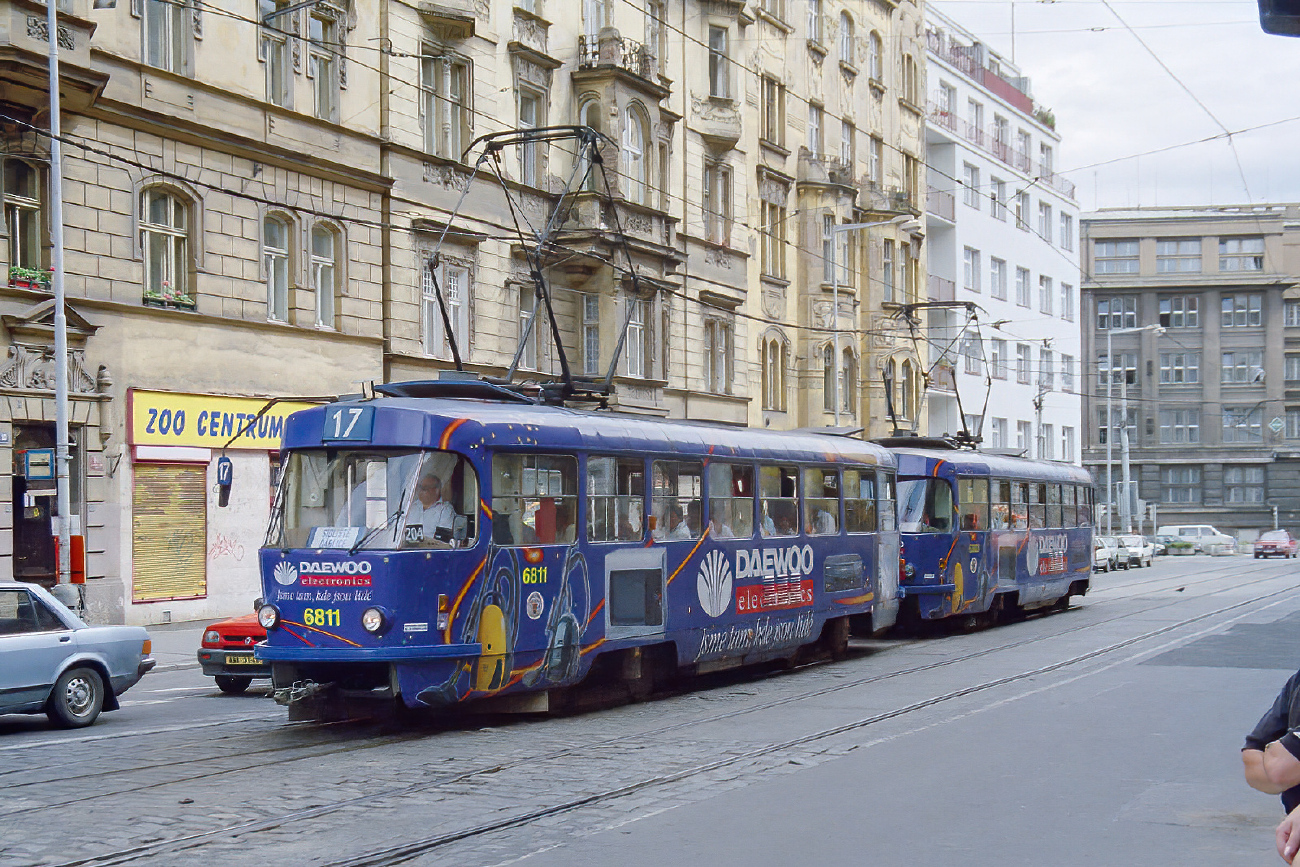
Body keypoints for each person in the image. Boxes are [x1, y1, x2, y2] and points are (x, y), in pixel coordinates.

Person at [408, 473, 456, 542]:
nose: (421, 490)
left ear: (437, 490)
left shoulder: (445, 510)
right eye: (420, 487)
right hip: (407, 547)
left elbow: (443, 539)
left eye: (425, 488)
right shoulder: (411, 507)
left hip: (431, 548)